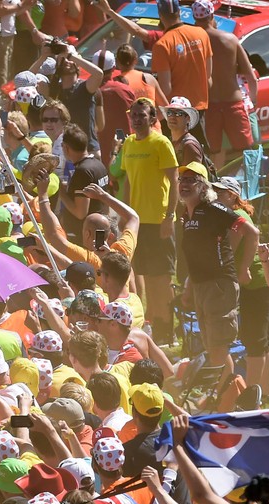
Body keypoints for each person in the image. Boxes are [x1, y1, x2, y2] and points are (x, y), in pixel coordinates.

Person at [175, 161, 258, 390]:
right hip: (202, 286)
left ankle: (223, 400)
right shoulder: (187, 214)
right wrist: (190, 288)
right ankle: (224, 396)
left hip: (219, 284)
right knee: (214, 348)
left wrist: (244, 268)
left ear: (203, 187)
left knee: (219, 348)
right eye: (182, 179)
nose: (185, 184)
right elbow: (196, 255)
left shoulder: (213, 208)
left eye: (192, 180)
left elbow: (251, 232)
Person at [116, 98, 178, 344]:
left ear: (153, 119)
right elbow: (129, 181)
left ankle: (167, 332)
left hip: (158, 221)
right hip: (137, 223)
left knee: (160, 281)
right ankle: (153, 330)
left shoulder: (161, 143)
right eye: (134, 115)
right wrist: (124, 214)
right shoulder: (128, 144)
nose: (137, 119)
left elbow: (173, 182)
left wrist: (169, 217)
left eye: (142, 115)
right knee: (142, 278)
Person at [214, 176, 269, 395]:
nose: (216, 197)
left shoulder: (236, 216)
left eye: (220, 193)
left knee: (254, 340)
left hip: (254, 284)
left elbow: (229, 249)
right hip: (259, 283)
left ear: (232, 195)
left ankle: (250, 396)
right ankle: (263, 392)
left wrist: (242, 269)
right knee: (262, 340)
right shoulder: (238, 214)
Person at [196, 0, 257, 168]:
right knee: (245, 152)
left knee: (215, 153)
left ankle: (216, 188)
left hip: (210, 106)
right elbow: (250, 77)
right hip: (233, 103)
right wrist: (253, 102)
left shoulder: (193, 42)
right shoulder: (230, 39)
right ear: (212, 16)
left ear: (195, 19)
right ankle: (247, 188)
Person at [150, 0, 212, 117]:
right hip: (199, 108)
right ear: (179, 12)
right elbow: (208, 74)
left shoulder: (162, 45)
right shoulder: (201, 33)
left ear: (160, 15)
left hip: (176, 111)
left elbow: (165, 89)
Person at [164, 96, 206, 169]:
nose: (172, 117)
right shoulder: (169, 142)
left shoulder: (189, 145)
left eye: (178, 113)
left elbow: (191, 178)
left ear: (188, 118)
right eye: (169, 113)